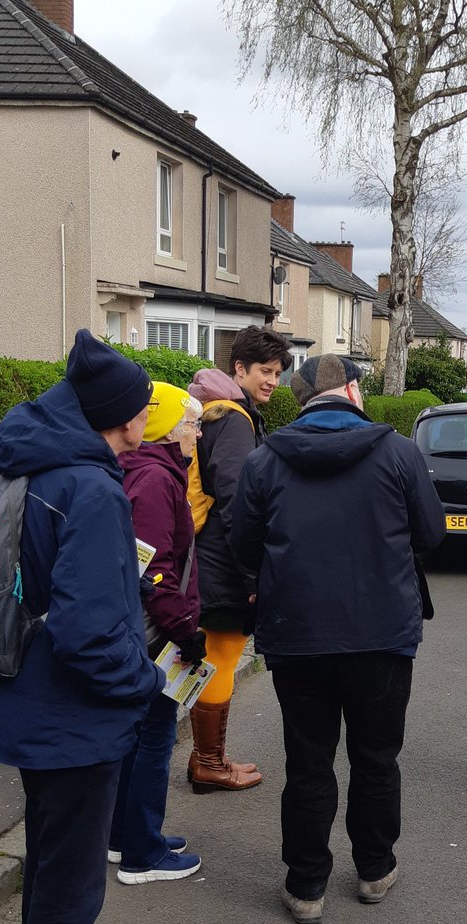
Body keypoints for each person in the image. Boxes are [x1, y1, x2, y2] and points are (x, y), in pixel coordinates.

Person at [0, 328, 165, 924]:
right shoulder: (89, 487)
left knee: (53, 855)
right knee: (70, 868)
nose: (148, 419)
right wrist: (145, 682)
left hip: (28, 700)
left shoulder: (31, 469)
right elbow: (90, 634)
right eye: (141, 408)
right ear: (115, 415)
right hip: (74, 718)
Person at [230, 354, 445, 924]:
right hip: (383, 636)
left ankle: (306, 887)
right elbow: (432, 532)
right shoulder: (399, 452)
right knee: (376, 758)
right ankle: (374, 870)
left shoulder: (263, 461)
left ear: (299, 399)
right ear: (353, 391)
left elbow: (243, 546)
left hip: (297, 636)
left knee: (307, 762)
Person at [184, 326, 292, 792]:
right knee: (220, 657)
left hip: (209, 555)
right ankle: (208, 762)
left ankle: (211, 757)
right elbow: (236, 503)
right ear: (239, 369)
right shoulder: (232, 420)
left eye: (277, 373)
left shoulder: (214, 410)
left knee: (214, 657)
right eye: (264, 371)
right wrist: (253, 572)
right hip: (221, 561)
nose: (272, 381)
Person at [109, 381, 206, 885]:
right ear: (169, 429)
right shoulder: (155, 479)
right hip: (155, 635)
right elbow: (156, 569)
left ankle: (122, 834)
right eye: (190, 424)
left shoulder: (145, 471)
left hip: (144, 629)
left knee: (136, 735)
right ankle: (142, 853)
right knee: (153, 737)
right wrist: (185, 630)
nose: (196, 434)